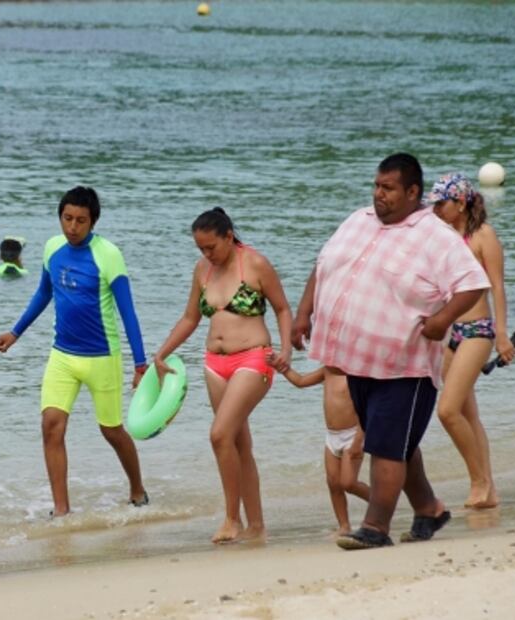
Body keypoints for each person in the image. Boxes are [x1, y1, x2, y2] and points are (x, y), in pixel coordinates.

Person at [291, 153, 490, 550]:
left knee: (385, 444)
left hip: (406, 365)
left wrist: (441, 321)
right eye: (376, 186)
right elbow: (323, 263)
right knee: (396, 440)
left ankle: (376, 528)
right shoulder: (357, 219)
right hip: (355, 359)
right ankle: (430, 507)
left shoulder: (436, 236)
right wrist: (303, 311)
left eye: (388, 188)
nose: (378, 194)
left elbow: (474, 283)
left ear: (413, 192)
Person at [0, 186, 148, 517]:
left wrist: (140, 363)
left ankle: (137, 488)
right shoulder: (52, 248)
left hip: (102, 357)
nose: (72, 227)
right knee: (51, 424)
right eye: (67, 218)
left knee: (111, 430)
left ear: (93, 221)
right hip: (62, 355)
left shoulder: (108, 254)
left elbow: (128, 312)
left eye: (80, 220)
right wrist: (15, 331)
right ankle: (61, 510)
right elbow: (43, 294)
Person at [152, 207, 292, 543]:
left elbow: (283, 308)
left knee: (218, 435)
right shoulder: (202, 270)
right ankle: (255, 525)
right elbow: (190, 318)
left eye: (211, 246)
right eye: (201, 248)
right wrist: (161, 352)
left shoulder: (255, 264)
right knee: (238, 442)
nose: (206, 254)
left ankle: (232, 519)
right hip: (215, 364)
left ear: (229, 236)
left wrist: (286, 350)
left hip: (254, 359)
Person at [427, 172, 515, 509]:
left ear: (460, 202)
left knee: (448, 411)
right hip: (448, 334)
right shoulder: (442, 239)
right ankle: (487, 489)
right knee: (468, 413)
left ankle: (479, 481)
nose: (435, 209)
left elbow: (497, 287)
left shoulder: (483, 236)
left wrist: (502, 335)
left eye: (441, 203)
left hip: (477, 330)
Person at [276, 363, 369, 535]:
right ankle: (344, 526)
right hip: (332, 436)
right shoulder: (327, 371)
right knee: (333, 483)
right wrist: (283, 368)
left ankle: (380, 505)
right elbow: (301, 381)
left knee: (348, 482)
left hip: (353, 434)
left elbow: (366, 408)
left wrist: (359, 438)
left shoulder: (356, 372)